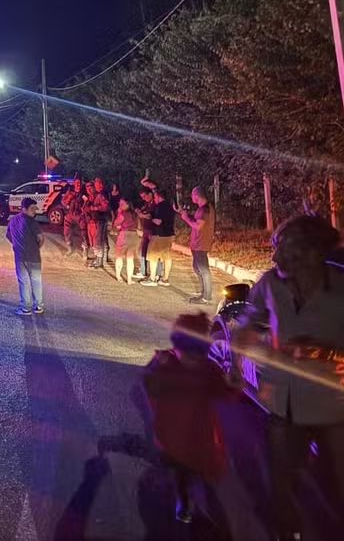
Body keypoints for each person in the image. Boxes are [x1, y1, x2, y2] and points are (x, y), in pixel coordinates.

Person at [236, 215, 344, 541]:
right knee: (282, 481)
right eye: (275, 246)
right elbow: (249, 325)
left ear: (314, 251)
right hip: (285, 404)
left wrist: (323, 353)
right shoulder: (269, 284)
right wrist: (236, 365)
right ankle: (288, 533)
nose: (274, 256)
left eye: (284, 247)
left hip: (334, 404)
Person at [143, 312, 236, 524]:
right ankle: (184, 500)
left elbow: (225, 392)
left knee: (195, 466)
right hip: (176, 431)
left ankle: (190, 497)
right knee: (182, 468)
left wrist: (233, 384)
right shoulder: (168, 363)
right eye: (185, 352)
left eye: (195, 354)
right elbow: (150, 386)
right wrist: (159, 367)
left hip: (197, 431)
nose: (189, 359)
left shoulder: (207, 369)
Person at [175, 187, 216, 304]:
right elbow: (197, 220)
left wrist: (186, 218)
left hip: (201, 243)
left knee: (203, 269)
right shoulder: (203, 208)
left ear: (197, 195)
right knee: (197, 268)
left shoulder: (204, 209)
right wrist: (184, 214)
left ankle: (206, 297)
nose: (191, 197)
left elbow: (198, 226)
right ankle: (203, 293)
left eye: (193, 195)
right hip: (198, 243)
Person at [6, 197, 45, 315]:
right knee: (36, 281)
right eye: (32, 209)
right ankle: (38, 306)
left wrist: (17, 244)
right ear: (24, 209)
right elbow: (41, 238)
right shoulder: (32, 222)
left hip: (20, 257)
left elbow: (8, 235)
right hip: (34, 258)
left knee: (24, 282)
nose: (34, 211)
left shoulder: (12, 220)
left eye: (35, 208)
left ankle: (26, 308)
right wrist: (37, 247)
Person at [142, 189, 176, 287]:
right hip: (169, 234)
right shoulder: (170, 206)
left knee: (153, 256)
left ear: (159, 196)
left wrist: (151, 219)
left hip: (159, 234)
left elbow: (158, 221)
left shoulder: (159, 206)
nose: (154, 199)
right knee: (167, 257)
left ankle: (152, 279)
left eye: (155, 197)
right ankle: (165, 279)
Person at [112, 198, 141, 285]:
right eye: (120, 204)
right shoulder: (135, 214)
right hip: (134, 236)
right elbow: (139, 226)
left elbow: (116, 223)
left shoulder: (123, 213)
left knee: (119, 256)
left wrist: (118, 213)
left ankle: (118, 276)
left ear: (128, 204)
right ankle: (129, 279)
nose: (120, 205)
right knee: (130, 258)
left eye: (122, 204)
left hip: (124, 235)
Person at [88, 177, 112, 269]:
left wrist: (95, 208)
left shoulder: (102, 194)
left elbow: (105, 207)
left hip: (101, 219)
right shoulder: (102, 193)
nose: (95, 185)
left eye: (97, 183)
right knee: (103, 240)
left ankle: (99, 261)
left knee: (98, 240)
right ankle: (103, 259)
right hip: (101, 219)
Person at [136, 189, 158, 280]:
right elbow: (140, 213)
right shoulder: (146, 205)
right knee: (142, 250)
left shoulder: (155, 204)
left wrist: (142, 214)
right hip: (146, 230)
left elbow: (148, 216)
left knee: (154, 253)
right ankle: (143, 270)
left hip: (153, 231)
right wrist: (140, 213)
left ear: (150, 194)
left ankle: (156, 274)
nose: (144, 198)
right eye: (142, 197)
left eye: (145, 196)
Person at [62, 179, 85, 257]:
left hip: (80, 215)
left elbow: (87, 202)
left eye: (80, 183)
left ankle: (85, 250)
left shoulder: (83, 192)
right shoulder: (70, 192)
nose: (78, 184)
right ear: (74, 184)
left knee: (84, 233)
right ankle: (70, 248)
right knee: (67, 232)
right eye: (77, 183)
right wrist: (67, 203)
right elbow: (63, 201)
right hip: (70, 215)